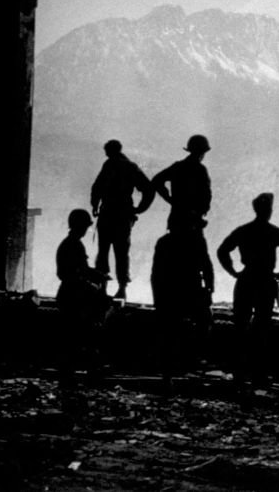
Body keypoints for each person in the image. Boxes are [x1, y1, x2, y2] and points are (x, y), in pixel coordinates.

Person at [217, 193, 279, 384]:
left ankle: (240, 371)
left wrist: (233, 272)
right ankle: (257, 372)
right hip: (265, 281)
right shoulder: (274, 232)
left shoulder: (244, 230)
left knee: (241, 325)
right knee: (261, 326)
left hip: (247, 279)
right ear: (268, 211)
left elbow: (222, 251)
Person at [151, 214, 215, 386]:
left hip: (174, 292)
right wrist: (209, 289)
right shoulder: (195, 241)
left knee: (173, 331)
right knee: (200, 322)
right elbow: (207, 267)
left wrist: (157, 298)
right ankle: (187, 360)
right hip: (183, 291)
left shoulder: (166, 242)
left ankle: (173, 370)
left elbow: (156, 273)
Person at [90, 139, 155, 299]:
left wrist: (95, 204)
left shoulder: (109, 165)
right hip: (123, 216)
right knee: (121, 253)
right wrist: (139, 208)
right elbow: (148, 189)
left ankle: (103, 287)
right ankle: (122, 288)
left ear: (110, 151)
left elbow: (97, 187)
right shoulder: (130, 167)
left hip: (108, 214)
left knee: (103, 251)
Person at [56, 209, 111, 384]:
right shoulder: (74, 245)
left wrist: (97, 275)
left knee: (72, 336)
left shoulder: (70, 244)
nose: (86, 230)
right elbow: (73, 273)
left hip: (69, 294)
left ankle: (69, 374)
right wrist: (94, 283)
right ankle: (74, 373)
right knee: (77, 335)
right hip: (73, 296)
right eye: (85, 227)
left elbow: (81, 270)